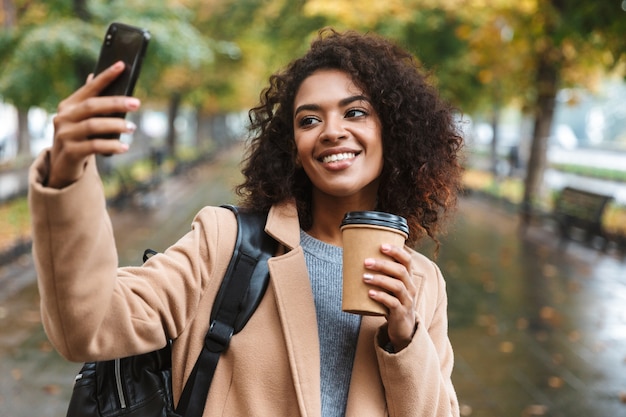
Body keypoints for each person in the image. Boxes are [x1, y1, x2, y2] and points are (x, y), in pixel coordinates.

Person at [29, 28, 463, 416]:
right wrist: (66, 174)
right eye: (309, 119)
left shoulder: (422, 283)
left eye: (355, 112)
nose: (331, 131)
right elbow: (87, 326)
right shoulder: (226, 244)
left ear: (394, 131)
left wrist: (405, 338)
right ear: (293, 146)